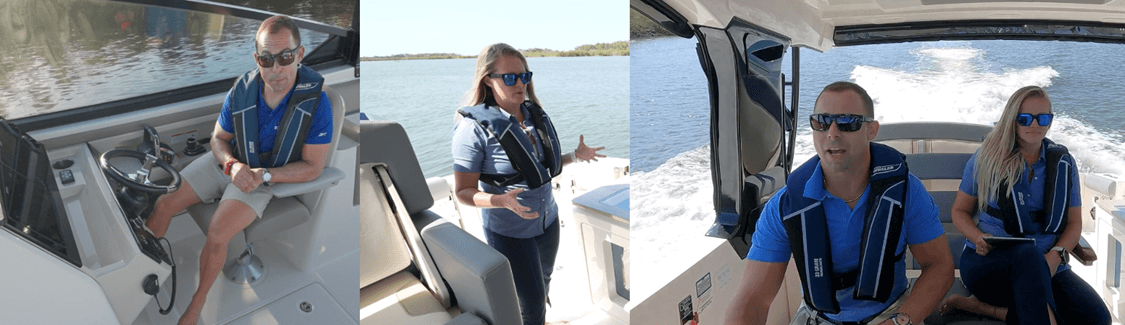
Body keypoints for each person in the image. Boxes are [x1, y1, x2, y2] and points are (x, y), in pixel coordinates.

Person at [143, 15, 333, 325]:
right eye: (266, 59)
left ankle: (196, 303)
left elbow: (313, 167)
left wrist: (264, 175)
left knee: (218, 234)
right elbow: (219, 139)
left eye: (285, 57)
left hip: (265, 175)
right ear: (256, 59)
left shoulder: (316, 103)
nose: (276, 69)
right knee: (164, 203)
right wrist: (231, 165)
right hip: (231, 161)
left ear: (299, 54)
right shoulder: (242, 90)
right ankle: (146, 272)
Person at [725, 81, 954, 325]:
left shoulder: (906, 192)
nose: (832, 133)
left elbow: (939, 266)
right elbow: (753, 299)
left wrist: (901, 321)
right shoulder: (786, 206)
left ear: (871, 130)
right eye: (821, 122)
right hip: (818, 319)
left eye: (847, 122)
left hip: (892, 314)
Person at [451, 42, 606, 325]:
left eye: (524, 76)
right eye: (510, 77)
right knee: (531, 304)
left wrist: (574, 156)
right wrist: (499, 200)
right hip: (510, 232)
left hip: (548, 222)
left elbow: (538, 168)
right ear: (488, 79)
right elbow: (463, 191)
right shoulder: (472, 129)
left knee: (543, 283)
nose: (520, 83)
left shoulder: (533, 116)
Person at [939, 86, 1109, 325]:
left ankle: (977, 307)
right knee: (1028, 262)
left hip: (1049, 264)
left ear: (1050, 121)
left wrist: (1057, 255)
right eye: (1025, 118)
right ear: (1012, 120)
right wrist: (977, 237)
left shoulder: (1064, 164)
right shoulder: (985, 160)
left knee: (1097, 318)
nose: (1034, 124)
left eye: (1043, 118)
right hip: (989, 265)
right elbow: (959, 211)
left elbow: (1074, 224)